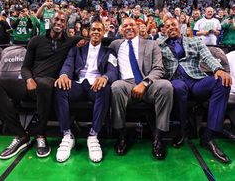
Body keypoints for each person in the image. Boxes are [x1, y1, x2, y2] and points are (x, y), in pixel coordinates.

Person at [0, 11, 81, 159]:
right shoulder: (36, 40)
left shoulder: (70, 41)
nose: (59, 23)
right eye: (56, 19)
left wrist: (85, 40)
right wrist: (29, 79)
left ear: (65, 24)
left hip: (48, 84)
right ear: (51, 20)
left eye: (63, 21)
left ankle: (40, 135)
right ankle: (21, 135)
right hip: (30, 83)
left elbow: (95, 38)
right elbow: (25, 67)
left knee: (44, 84)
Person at [158, 18, 232, 164]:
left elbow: (208, 57)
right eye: (167, 26)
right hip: (175, 79)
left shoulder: (196, 41)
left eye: (173, 24)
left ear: (179, 26)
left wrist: (219, 69)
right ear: (164, 30)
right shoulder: (159, 44)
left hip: (196, 80)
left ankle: (209, 136)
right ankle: (182, 129)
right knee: (179, 88)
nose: (171, 27)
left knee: (222, 82)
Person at [109, 17, 173, 160]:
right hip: (126, 85)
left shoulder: (152, 44)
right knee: (116, 86)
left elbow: (159, 68)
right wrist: (79, 41)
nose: (129, 28)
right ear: (121, 30)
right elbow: (97, 43)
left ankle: (158, 135)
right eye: (125, 26)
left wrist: (144, 83)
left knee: (166, 86)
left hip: (148, 83)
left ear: (138, 27)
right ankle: (121, 133)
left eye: (132, 25)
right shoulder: (115, 44)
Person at [54, 20, 118, 163]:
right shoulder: (77, 49)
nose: (96, 32)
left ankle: (93, 135)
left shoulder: (109, 51)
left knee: (105, 87)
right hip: (77, 84)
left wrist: (105, 77)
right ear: (89, 32)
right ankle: (67, 134)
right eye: (93, 29)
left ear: (103, 33)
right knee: (59, 86)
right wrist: (64, 75)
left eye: (99, 30)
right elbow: (68, 64)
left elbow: (113, 71)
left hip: (95, 85)